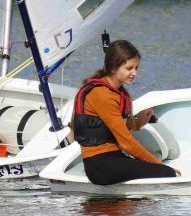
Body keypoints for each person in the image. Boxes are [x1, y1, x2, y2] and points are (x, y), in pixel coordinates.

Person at [72, 39, 178, 185]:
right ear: (113, 68)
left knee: (157, 169)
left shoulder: (116, 92)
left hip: (114, 157)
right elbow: (126, 143)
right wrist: (160, 166)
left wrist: (138, 122)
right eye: (129, 68)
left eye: (136, 68)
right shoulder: (102, 94)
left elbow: (110, 128)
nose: (134, 73)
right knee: (166, 173)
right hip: (99, 165)